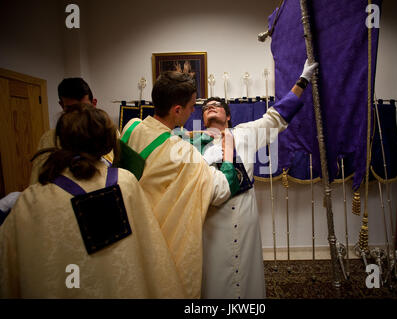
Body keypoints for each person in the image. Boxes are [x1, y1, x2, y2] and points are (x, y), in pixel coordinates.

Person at [0, 104, 184, 298]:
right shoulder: (124, 182)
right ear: (107, 142)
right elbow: (151, 250)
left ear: (62, 140)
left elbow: (9, 268)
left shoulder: (33, 199)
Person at [197, 59, 318, 299]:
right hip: (211, 221)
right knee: (214, 275)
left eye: (216, 105)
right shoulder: (193, 144)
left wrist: (302, 80)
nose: (210, 106)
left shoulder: (245, 133)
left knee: (246, 272)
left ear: (228, 116)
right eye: (206, 106)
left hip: (244, 216)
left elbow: (277, 117)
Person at [119, 71, 239, 298]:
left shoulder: (132, 126)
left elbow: (159, 139)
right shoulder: (183, 153)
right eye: (192, 106)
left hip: (127, 231)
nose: (193, 110)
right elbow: (221, 189)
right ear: (177, 110)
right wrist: (229, 154)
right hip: (159, 238)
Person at [29, 78, 113, 185]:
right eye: (71, 109)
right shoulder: (49, 138)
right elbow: (37, 182)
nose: (78, 115)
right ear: (61, 105)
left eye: (84, 107)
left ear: (94, 103)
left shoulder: (106, 133)